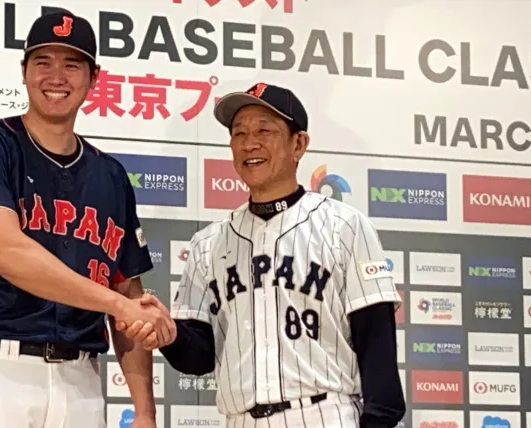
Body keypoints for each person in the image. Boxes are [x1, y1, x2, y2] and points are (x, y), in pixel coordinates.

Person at [0, 11, 176, 428]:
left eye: (72, 64)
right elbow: (7, 252)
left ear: (93, 77)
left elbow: (128, 293)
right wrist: (120, 305)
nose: (56, 76)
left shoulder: (110, 176)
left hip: (80, 380)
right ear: (24, 71)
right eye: (43, 62)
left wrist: (144, 413)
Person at [119, 83, 406, 427]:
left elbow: (376, 345)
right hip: (241, 419)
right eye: (238, 133)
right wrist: (169, 334)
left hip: (324, 414)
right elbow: (199, 358)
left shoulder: (345, 226)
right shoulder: (207, 243)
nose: (249, 143)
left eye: (264, 130)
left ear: (298, 144)